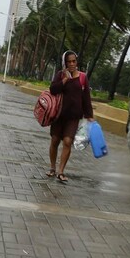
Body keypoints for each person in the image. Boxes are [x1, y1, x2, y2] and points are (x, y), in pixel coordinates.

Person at [47, 50, 94, 183]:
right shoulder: (60, 75)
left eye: (74, 61)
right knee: (55, 140)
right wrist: (65, 79)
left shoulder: (83, 77)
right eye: (69, 61)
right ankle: (52, 167)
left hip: (73, 117)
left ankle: (61, 171)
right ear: (65, 63)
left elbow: (86, 98)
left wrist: (89, 115)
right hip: (59, 115)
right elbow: (53, 89)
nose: (72, 64)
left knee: (67, 141)